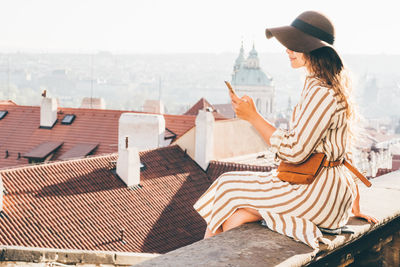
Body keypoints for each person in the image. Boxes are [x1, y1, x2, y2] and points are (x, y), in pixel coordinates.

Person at [193, 10, 378, 249]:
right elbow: (341, 152)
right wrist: (353, 202)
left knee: (227, 186)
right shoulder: (326, 86)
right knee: (237, 216)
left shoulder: (321, 91)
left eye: (294, 45)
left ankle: (204, 258)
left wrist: (253, 117)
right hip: (323, 190)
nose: (287, 50)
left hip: (316, 193)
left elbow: (295, 151)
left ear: (311, 50)